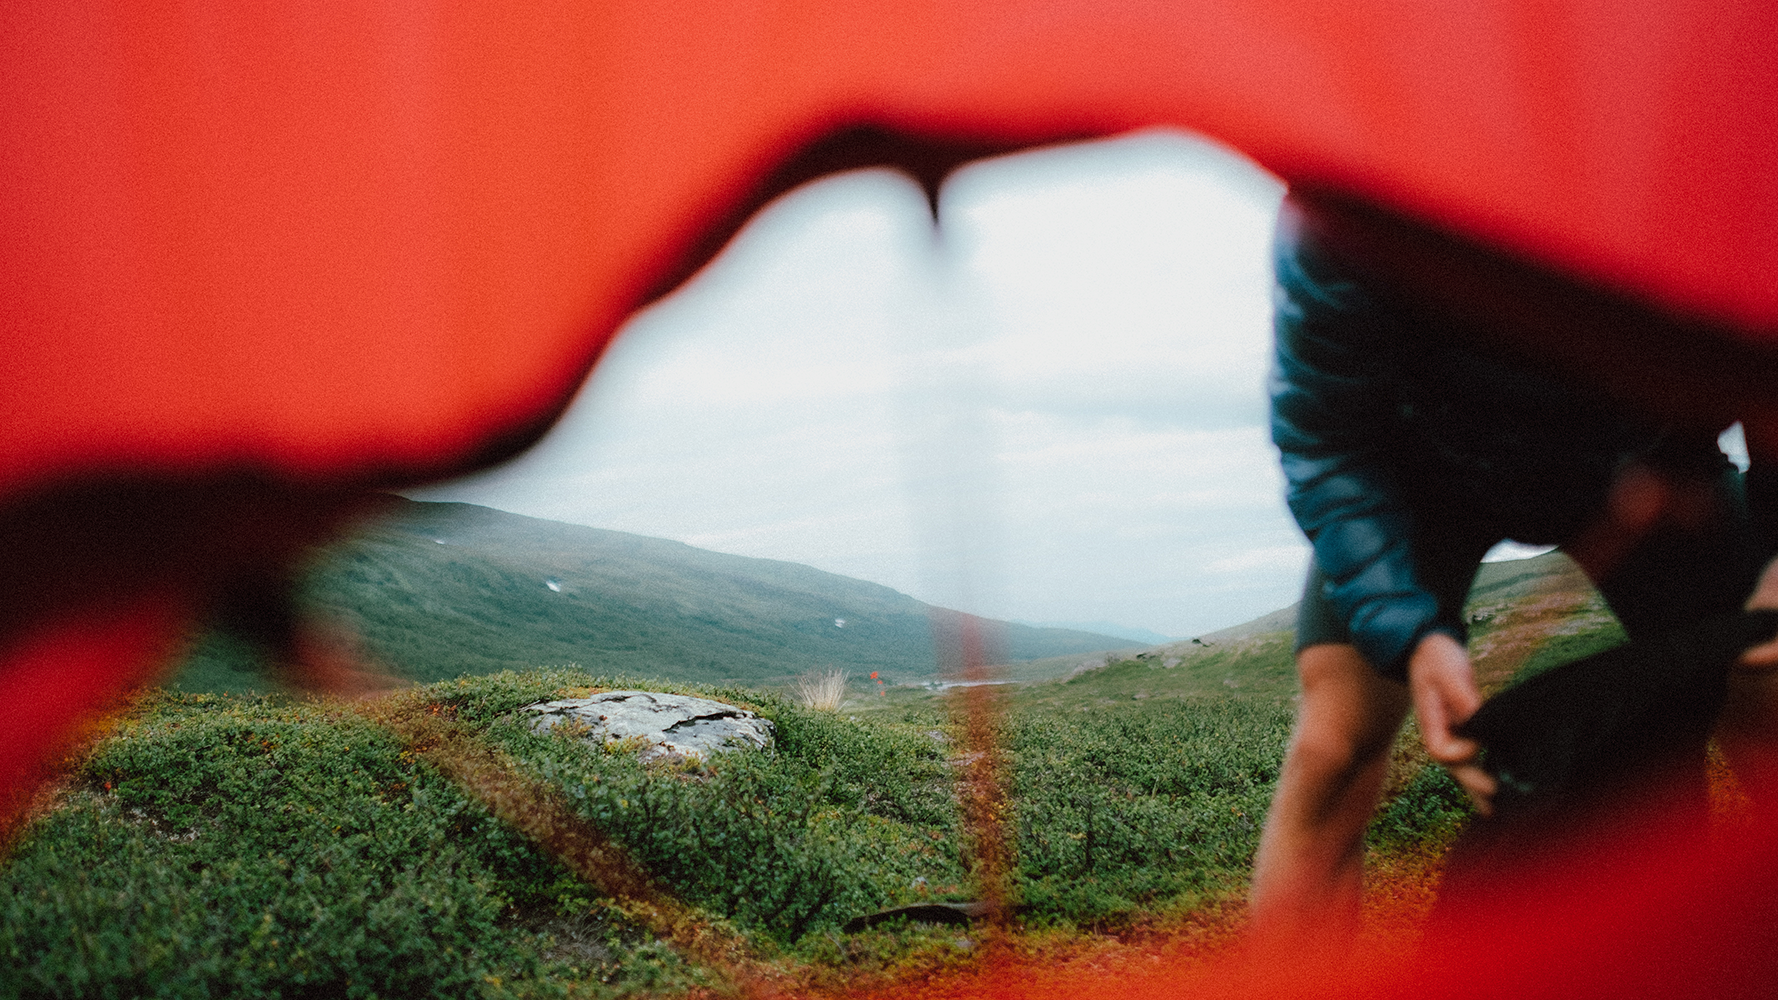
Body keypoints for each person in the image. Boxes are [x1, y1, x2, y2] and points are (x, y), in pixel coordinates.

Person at [1245, 190, 1770, 945]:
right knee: (1334, 748)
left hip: (1643, 461)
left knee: (1764, 681)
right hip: (1424, 475)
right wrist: (1414, 635)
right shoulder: (1340, 206)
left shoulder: (1686, 170)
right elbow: (1327, 445)